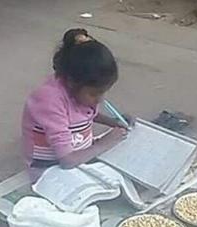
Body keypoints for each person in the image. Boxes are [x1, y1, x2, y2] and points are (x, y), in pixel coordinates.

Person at [22, 29, 130, 182]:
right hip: (49, 171)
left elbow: (84, 115)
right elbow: (67, 161)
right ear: (72, 83)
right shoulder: (48, 100)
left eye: (103, 92)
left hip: (80, 155)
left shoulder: (78, 90)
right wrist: (106, 142)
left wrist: (114, 122)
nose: (99, 100)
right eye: (94, 94)